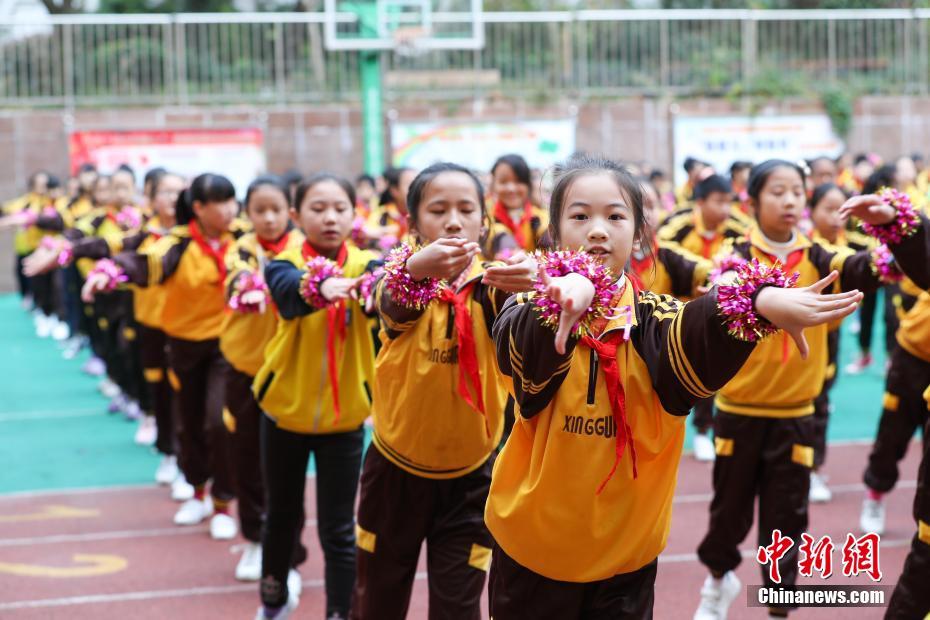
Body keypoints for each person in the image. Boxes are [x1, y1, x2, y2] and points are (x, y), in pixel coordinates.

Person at [484, 153, 862, 620]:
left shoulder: (656, 322)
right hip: (530, 552)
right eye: (580, 216)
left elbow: (702, 325)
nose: (598, 230)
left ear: (640, 232)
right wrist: (569, 293)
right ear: (554, 231)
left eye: (615, 216)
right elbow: (521, 352)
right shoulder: (525, 306)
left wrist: (761, 299)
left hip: (624, 564)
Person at [695, 160, 930, 619]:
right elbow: (719, 293)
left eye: (796, 192)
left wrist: (894, 231)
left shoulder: (820, 256)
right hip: (739, 409)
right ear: (753, 201)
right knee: (729, 512)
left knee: (787, 520)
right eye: (777, 192)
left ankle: (779, 608)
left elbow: (865, 268)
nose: (789, 201)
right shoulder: (735, 257)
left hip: (797, 412)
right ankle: (717, 583)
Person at [350, 162, 537, 620]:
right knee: (378, 600)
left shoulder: (495, 288)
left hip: (473, 477)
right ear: (412, 223)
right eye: (438, 210)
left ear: (483, 222)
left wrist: (542, 285)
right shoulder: (399, 281)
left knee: (458, 607)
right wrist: (415, 269)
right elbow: (391, 301)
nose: (453, 220)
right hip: (394, 471)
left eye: (466, 209)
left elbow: (523, 321)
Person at [83, 173, 243, 539]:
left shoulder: (242, 240)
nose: (229, 209)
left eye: (232, 200)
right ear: (199, 208)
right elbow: (144, 262)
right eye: (220, 202)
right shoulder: (177, 243)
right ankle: (197, 489)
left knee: (219, 420)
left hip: (228, 345)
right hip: (184, 344)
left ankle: (222, 502)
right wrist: (109, 273)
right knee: (187, 419)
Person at [252, 173, 380, 620]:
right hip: (282, 415)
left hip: (345, 422)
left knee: (339, 530)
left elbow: (382, 294)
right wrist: (321, 288)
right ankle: (272, 601)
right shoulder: (282, 263)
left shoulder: (368, 265)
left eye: (340, 208)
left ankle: (339, 613)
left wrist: (378, 292)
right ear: (296, 215)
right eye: (317, 208)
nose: (330, 218)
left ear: (354, 213)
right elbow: (289, 295)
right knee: (281, 518)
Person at [218, 175, 304, 583]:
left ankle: (290, 551)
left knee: (289, 465)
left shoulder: (304, 250)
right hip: (247, 370)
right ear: (246, 214)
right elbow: (238, 275)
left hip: (294, 370)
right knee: (247, 454)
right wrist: (248, 288)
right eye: (259, 211)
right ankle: (254, 538)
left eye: (276, 210)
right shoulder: (240, 250)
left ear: (290, 212)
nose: (268, 219)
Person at [806, 182, 874, 503]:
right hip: (802, 335)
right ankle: (802, 467)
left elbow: (883, 258)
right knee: (804, 403)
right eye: (827, 209)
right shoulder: (806, 248)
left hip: (830, 336)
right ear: (812, 211)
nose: (835, 217)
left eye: (841, 210)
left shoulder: (856, 244)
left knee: (820, 401)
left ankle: (814, 468)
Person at [487, 154, 549, 254]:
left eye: (518, 181)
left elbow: (547, 234)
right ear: (493, 185)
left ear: (528, 185)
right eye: (503, 182)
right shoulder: (486, 220)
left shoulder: (541, 217)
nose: (511, 188)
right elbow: (497, 234)